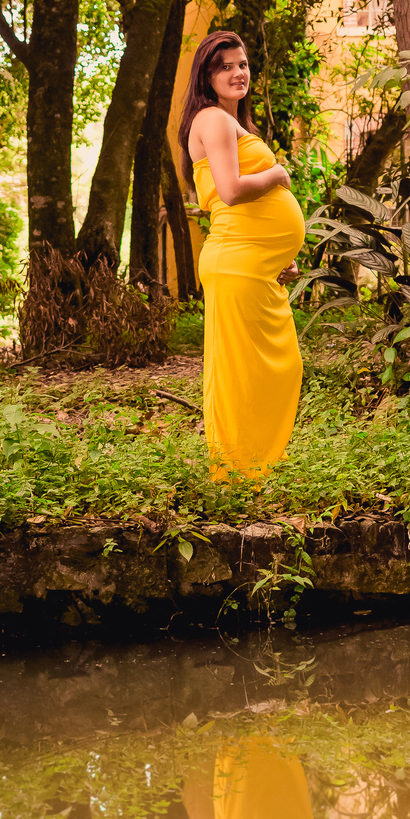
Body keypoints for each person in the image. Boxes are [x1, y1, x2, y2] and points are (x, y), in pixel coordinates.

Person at [178, 33, 306, 482]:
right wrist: (277, 174)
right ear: (207, 76)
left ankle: (254, 469)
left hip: (250, 262)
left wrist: (276, 255)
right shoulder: (213, 119)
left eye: (243, 64)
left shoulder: (228, 121)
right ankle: (238, 473)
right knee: (241, 374)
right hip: (236, 261)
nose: (238, 73)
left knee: (269, 368)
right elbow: (230, 192)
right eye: (226, 66)